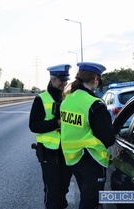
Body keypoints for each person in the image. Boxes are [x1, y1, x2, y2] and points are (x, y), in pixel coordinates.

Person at [60, 62, 116, 209]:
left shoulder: (67, 99)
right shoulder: (94, 104)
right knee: (90, 203)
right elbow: (108, 138)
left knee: (86, 198)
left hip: (74, 158)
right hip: (92, 159)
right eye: (99, 80)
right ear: (95, 79)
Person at [29, 64, 73, 209]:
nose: (64, 83)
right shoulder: (41, 99)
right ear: (52, 80)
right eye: (61, 80)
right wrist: (56, 123)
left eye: (66, 80)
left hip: (66, 150)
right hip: (49, 151)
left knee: (64, 186)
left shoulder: (69, 98)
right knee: (53, 188)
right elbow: (34, 125)